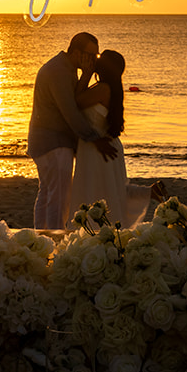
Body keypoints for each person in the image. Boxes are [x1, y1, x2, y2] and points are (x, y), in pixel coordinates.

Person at [27, 32, 119, 229]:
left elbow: (75, 103)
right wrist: (95, 139)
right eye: (92, 55)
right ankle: (54, 242)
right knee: (59, 198)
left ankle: (41, 239)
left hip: (47, 140)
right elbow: (71, 112)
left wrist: (85, 75)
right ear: (77, 53)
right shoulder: (59, 72)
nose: (95, 60)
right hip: (53, 141)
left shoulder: (66, 68)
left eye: (97, 55)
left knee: (48, 193)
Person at [65, 49, 162, 227]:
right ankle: (150, 193)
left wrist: (86, 73)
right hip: (103, 145)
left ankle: (95, 234)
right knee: (112, 190)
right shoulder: (110, 88)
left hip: (97, 149)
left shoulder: (102, 89)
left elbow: (76, 101)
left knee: (96, 192)